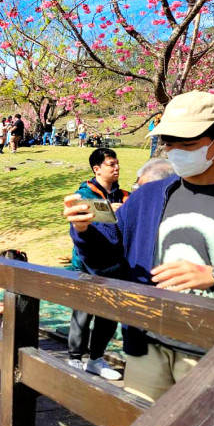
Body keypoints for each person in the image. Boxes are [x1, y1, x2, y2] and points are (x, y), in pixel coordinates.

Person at [63, 91, 214, 402]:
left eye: (188, 144)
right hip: (147, 343)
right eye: (170, 143)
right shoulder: (148, 196)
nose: (176, 152)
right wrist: (84, 230)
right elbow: (109, 256)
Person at [66, 148, 129, 380]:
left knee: (109, 315)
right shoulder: (84, 194)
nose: (116, 168)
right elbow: (80, 216)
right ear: (97, 169)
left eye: (117, 163)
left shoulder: (124, 195)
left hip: (115, 266)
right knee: (82, 312)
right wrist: (109, 212)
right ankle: (74, 358)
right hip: (87, 264)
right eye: (111, 164)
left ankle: (96, 359)